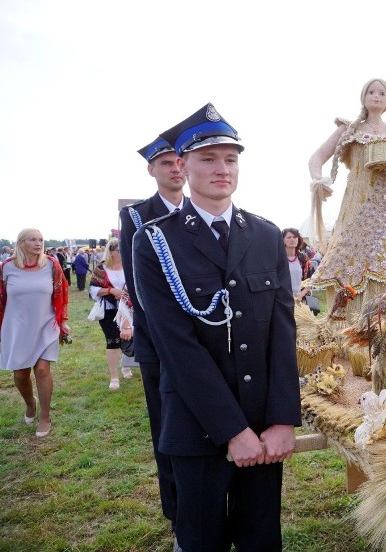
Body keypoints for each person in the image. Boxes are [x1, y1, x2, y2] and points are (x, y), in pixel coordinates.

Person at [133, 103, 301, 551]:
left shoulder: (266, 235)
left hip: (264, 427)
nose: (221, 168)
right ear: (182, 166)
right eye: (208, 158)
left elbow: (283, 335)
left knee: (261, 539)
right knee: (201, 538)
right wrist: (232, 431)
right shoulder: (155, 241)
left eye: (230, 158)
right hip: (197, 423)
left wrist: (283, 419)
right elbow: (177, 349)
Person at [308, 78, 386, 322]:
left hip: (385, 212)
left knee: (385, 269)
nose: (377, 96)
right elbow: (316, 158)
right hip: (354, 208)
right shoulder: (349, 129)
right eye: (372, 92)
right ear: (363, 96)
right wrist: (318, 181)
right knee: (339, 262)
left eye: (382, 93)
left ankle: (381, 325)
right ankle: (330, 325)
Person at [119, 135, 186, 526]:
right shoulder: (137, 216)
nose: (175, 168)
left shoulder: (201, 210)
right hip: (159, 341)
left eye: (179, 161)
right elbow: (139, 286)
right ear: (152, 170)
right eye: (165, 163)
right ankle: (178, 514)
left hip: (207, 338)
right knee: (167, 427)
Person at [0, 228, 70, 437]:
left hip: (45, 325)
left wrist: (63, 321)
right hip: (17, 327)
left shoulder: (51, 264)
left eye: (40, 239)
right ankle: (30, 403)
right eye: (32, 239)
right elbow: (1, 300)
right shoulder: (7, 267)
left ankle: (45, 416)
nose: (38, 243)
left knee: (42, 370)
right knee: (21, 374)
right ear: (21, 243)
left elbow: (62, 292)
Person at [89, 238, 129, 389]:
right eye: (118, 250)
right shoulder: (101, 268)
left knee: (129, 337)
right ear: (111, 252)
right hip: (109, 309)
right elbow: (92, 289)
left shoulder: (130, 265)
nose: (121, 253)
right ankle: (114, 377)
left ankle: (126, 366)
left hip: (129, 308)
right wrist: (111, 290)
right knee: (113, 341)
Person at [282, 227, 318, 314]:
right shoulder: (278, 259)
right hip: (283, 300)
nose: (292, 239)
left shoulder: (303, 258)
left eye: (295, 237)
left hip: (301, 299)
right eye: (289, 237)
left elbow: (312, 279)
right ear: (282, 240)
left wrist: (301, 294)